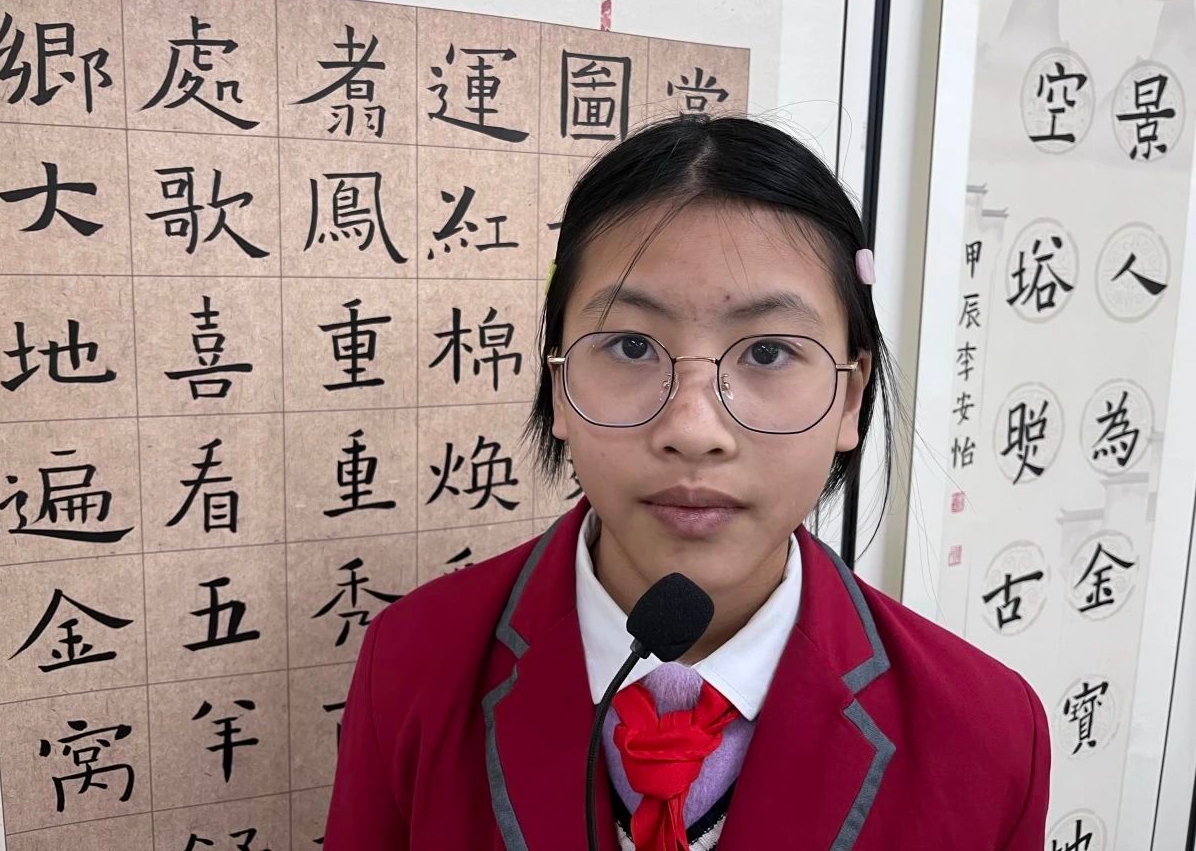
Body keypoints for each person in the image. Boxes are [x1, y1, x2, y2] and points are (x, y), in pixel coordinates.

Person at [322, 114, 1051, 850]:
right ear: (560, 384)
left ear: (849, 399)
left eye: (768, 352)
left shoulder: (989, 735)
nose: (694, 429)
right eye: (630, 345)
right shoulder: (412, 664)